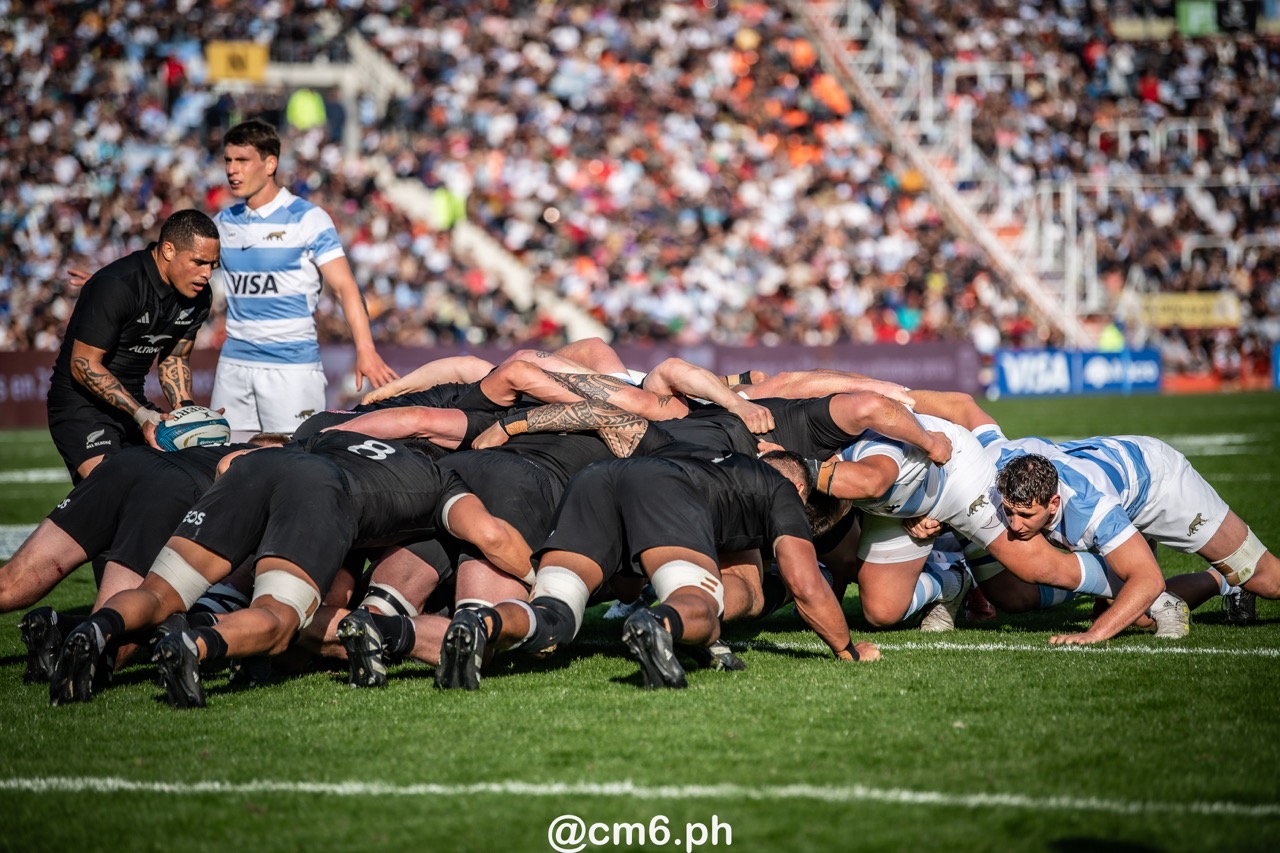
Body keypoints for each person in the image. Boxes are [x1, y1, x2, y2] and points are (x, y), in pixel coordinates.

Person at [48, 429, 532, 707]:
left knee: (159, 592)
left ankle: (96, 629)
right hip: (320, 491)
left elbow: (235, 460)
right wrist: (537, 584)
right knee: (281, 618)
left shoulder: (340, 433)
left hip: (258, 469)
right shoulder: (438, 477)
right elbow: (492, 536)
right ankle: (194, 645)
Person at [434, 443, 880, 692]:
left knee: (556, 615)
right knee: (701, 608)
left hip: (599, 477)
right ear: (799, 487)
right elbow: (804, 584)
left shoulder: (714, 456)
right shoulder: (782, 492)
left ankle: (482, 623)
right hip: (666, 488)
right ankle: (660, 625)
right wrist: (846, 649)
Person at [9, 436, 287, 683]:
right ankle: (62, 635)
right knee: (115, 632)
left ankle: (54, 627)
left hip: (128, 462)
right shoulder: (282, 463)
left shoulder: (237, 448)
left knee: (11, 584)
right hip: (173, 487)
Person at [210, 118, 396, 438]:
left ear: (270, 164)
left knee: (293, 467)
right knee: (223, 465)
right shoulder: (222, 222)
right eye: (228, 160)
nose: (232, 170)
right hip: (233, 367)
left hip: (291, 370)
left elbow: (345, 287)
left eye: (242, 160)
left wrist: (365, 348)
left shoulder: (309, 218)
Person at [48, 209, 220, 481]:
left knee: (167, 488)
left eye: (213, 265)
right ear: (168, 251)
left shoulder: (199, 297)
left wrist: (187, 413)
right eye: (199, 262)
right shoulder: (118, 284)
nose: (207, 274)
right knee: (110, 489)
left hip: (133, 403)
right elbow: (83, 365)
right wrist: (141, 415)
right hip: (80, 404)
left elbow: (174, 358)